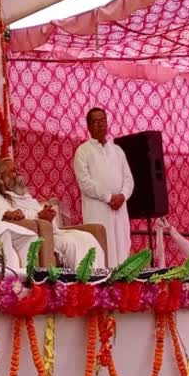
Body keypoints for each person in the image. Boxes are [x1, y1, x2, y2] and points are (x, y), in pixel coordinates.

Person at [0, 158, 106, 269]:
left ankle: (98, 282)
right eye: (13, 171)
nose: (19, 173)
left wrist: (48, 214)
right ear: (1, 178)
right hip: (32, 238)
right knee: (72, 243)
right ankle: (82, 283)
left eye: (18, 170)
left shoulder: (25, 196)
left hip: (51, 233)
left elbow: (38, 213)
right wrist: (39, 216)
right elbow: (11, 216)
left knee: (86, 237)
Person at [73, 107, 135, 267]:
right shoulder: (83, 151)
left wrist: (122, 196)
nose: (101, 125)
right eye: (96, 122)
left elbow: (129, 179)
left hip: (119, 208)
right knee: (101, 249)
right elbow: (85, 183)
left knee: (121, 248)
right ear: (88, 126)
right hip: (98, 209)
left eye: (103, 121)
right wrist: (108, 197)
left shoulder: (117, 150)